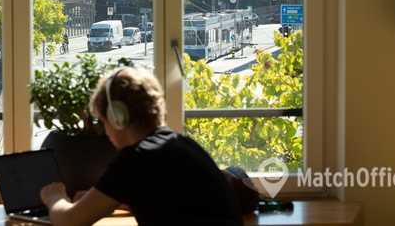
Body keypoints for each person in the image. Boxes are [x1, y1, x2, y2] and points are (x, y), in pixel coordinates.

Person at [40, 67, 243, 226]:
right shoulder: (182, 144)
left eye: (104, 122)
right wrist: (101, 200)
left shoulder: (135, 159)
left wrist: (55, 198)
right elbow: (170, 204)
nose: (107, 133)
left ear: (117, 117)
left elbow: (67, 222)